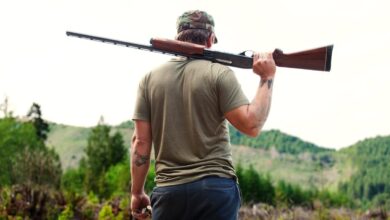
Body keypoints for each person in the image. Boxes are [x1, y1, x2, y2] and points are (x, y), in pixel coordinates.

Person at [130, 9, 276, 220]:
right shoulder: (219, 73)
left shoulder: (148, 80)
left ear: (177, 38)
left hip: (169, 192)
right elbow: (251, 125)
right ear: (209, 39)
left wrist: (136, 192)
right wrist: (267, 77)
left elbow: (140, 142)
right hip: (215, 191)